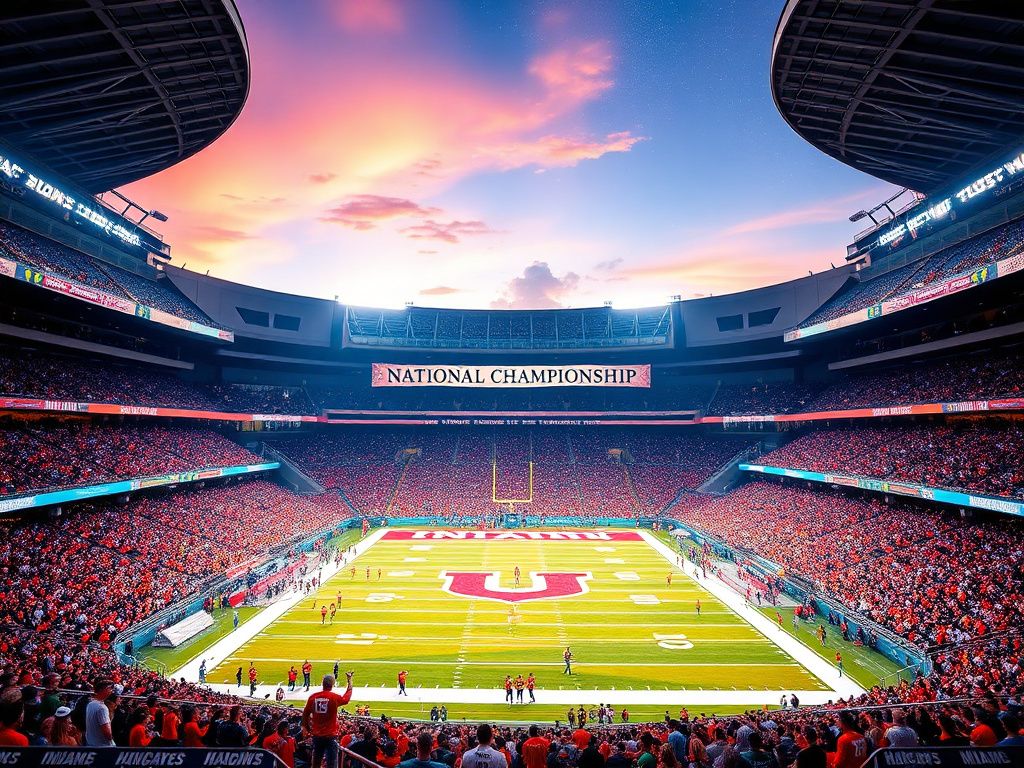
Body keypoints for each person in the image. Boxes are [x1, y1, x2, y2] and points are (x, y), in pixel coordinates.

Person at [302, 672, 354, 768]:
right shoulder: (334, 697)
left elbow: (305, 714)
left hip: (317, 736)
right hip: (330, 736)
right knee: (332, 763)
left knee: (316, 762)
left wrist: (306, 728)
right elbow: (346, 699)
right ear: (332, 685)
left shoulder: (313, 697)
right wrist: (350, 681)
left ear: (323, 683)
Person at [84, 680, 115, 747]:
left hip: (91, 744)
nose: (111, 691)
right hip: (103, 746)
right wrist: (111, 739)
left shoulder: (90, 704)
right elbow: (107, 733)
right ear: (101, 690)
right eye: (109, 688)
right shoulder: (102, 708)